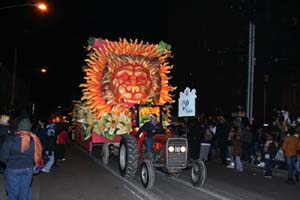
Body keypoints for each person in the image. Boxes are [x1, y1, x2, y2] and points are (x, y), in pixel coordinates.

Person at [0, 117, 42, 200]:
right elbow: (37, 155)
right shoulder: (34, 140)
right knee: (25, 192)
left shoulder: (10, 139)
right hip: (28, 169)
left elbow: (2, 157)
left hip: (13, 168)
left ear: (19, 127)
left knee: (13, 192)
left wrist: (9, 164)